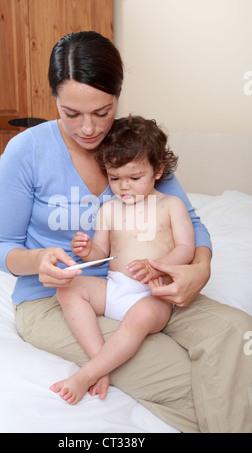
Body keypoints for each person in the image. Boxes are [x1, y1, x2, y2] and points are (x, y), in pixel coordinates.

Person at [0, 31, 252, 433]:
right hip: (56, 298)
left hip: (151, 285)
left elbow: (191, 224)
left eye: (102, 111)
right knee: (186, 375)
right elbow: (0, 246)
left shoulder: (132, 145)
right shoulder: (27, 152)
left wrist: (200, 268)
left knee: (238, 338)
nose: (90, 129)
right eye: (71, 113)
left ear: (118, 95)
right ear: (53, 99)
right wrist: (38, 259)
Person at [50, 115, 196, 405]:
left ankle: (86, 374)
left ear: (158, 171)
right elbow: (101, 254)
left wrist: (157, 266)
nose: (124, 187)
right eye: (114, 179)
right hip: (115, 287)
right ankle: (100, 362)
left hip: (152, 294)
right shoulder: (108, 209)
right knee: (67, 288)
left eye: (134, 178)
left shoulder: (171, 205)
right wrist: (86, 250)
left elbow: (186, 248)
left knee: (139, 318)